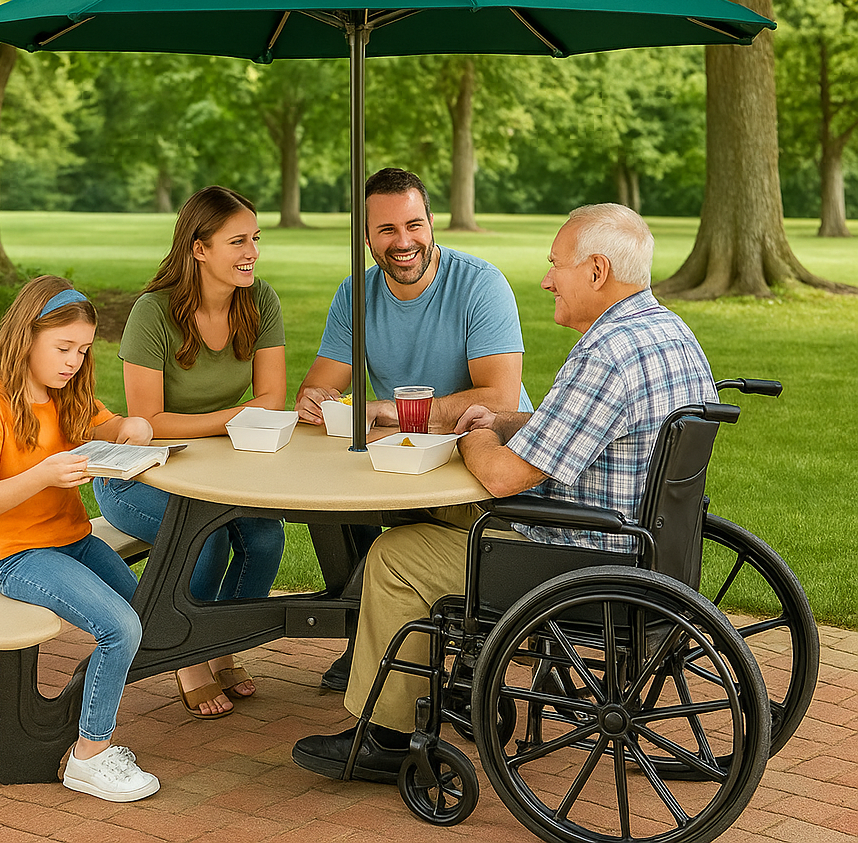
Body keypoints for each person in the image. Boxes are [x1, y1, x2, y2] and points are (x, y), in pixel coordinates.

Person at [292, 203, 718, 784]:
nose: (546, 280)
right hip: (648, 543)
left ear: (596, 271)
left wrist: (474, 432)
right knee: (423, 508)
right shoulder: (667, 332)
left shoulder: (605, 354)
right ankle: (457, 683)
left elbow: (502, 479)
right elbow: (574, 431)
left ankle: (389, 736)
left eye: (555, 265)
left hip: (577, 559)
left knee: (395, 557)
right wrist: (502, 424)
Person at [295, 167, 533, 690]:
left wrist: (383, 410)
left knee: (397, 540)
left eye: (414, 225)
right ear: (366, 236)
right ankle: (370, 635)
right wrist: (316, 400)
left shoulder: (479, 284)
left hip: (480, 464)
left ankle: (464, 640)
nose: (403, 242)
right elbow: (320, 386)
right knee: (331, 502)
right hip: (402, 461)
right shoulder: (355, 293)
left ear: (431, 223)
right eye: (386, 230)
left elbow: (499, 399)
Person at [0, 275, 160, 803]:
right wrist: (44, 474)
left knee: (149, 616)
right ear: (27, 339)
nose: (73, 360)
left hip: (71, 539)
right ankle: (89, 757)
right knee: (120, 627)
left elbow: (111, 424)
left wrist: (132, 430)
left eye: (83, 350)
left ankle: (84, 711)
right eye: (63, 348)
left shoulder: (67, 394)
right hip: (17, 555)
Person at [94, 186, 287, 719]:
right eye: (237, 241)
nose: (251, 252)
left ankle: (220, 643)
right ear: (199, 249)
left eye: (255, 239)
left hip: (216, 468)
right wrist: (231, 419)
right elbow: (147, 424)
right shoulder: (152, 312)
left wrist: (224, 425)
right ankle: (185, 655)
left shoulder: (260, 300)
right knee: (205, 541)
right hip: (138, 478)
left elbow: (272, 398)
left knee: (266, 537)